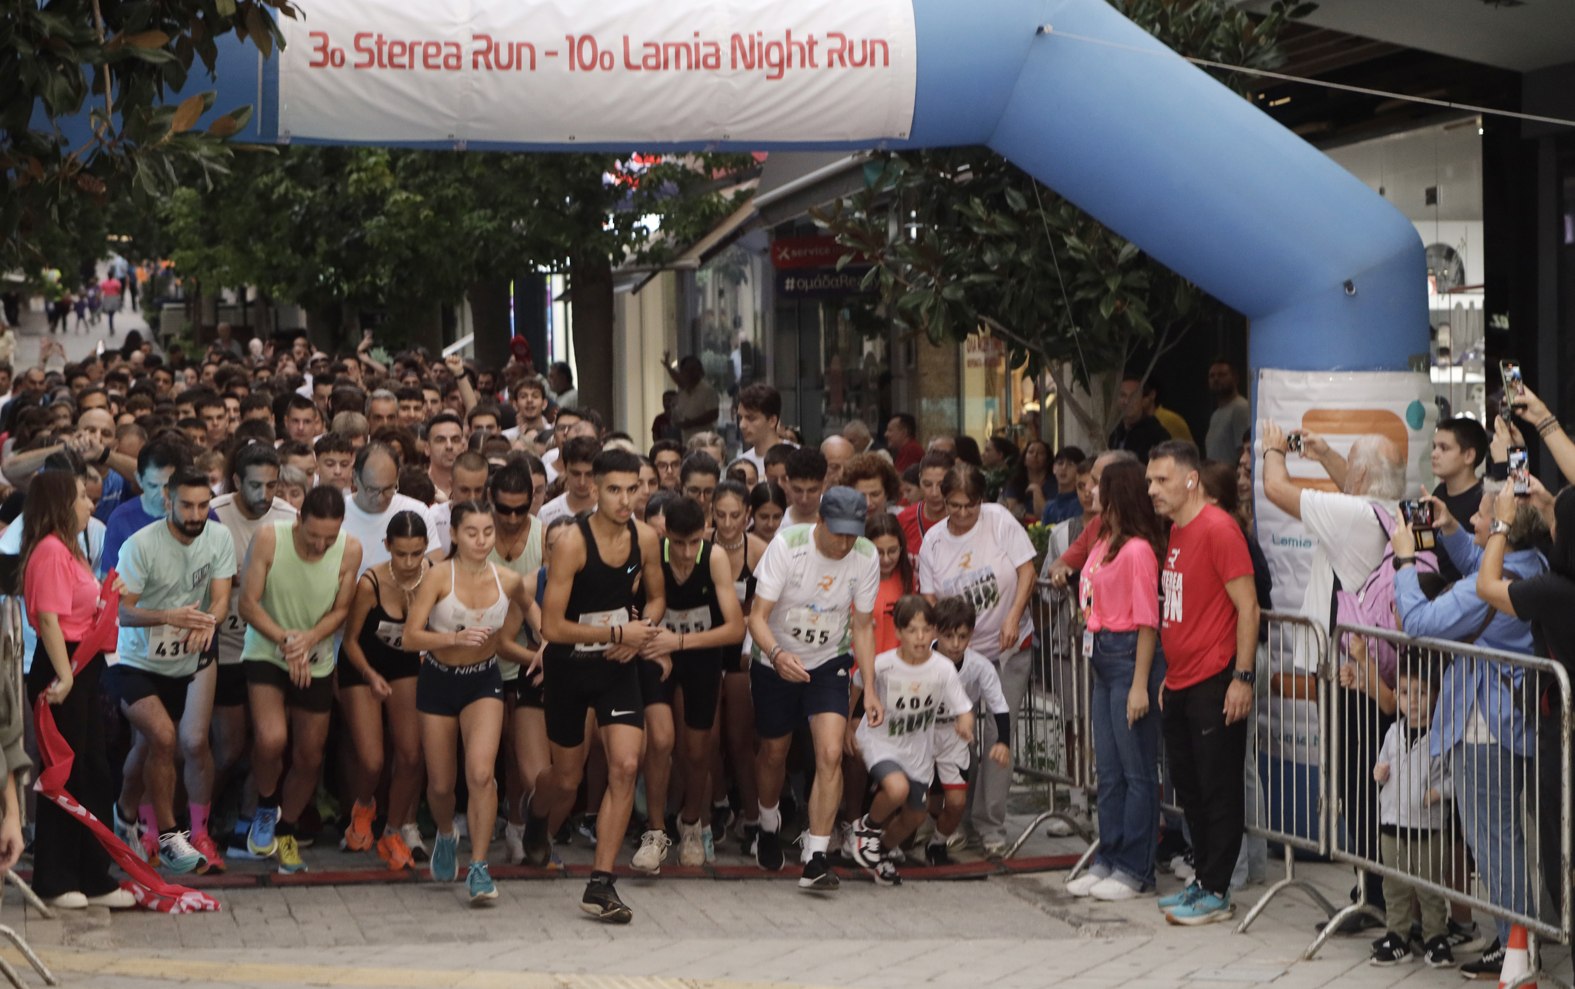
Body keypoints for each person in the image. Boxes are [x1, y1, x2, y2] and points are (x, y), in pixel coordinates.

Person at [1393, 475, 1546, 977]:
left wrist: (1404, 562)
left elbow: (1419, 623)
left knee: (1493, 840)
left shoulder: (1487, 589)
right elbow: (1484, 566)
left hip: (1485, 729)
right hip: (1512, 722)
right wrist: (1455, 530)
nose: (1475, 519)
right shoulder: (1531, 564)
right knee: (1505, 837)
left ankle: (1514, 946)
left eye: (1481, 515)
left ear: (1503, 527)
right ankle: (1518, 939)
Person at [1261, 420, 1406, 926]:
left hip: (1353, 673)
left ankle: (1377, 896)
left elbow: (1276, 488)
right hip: (1372, 670)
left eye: (1349, 463)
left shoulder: (1353, 516)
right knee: (1370, 781)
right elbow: (1356, 483)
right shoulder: (1384, 511)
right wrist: (1323, 454)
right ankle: (1378, 890)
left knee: (1358, 784)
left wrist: (1274, 448)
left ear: (1362, 473)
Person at [522, 449, 667, 924]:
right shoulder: (571, 543)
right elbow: (552, 626)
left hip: (617, 668)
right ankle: (537, 814)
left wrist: (641, 630)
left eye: (634, 489)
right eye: (615, 490)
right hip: (570, 667)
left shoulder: (645, 538)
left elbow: (658, 596)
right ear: (594, 489)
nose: (626, 499)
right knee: (566, 779)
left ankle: (600, 884)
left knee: (626, 764)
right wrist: (615, 634)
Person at [1145, 440, 1259, 925]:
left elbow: (1248, 608)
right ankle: (1203, 881)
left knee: (1217, 789)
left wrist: (1242, 677)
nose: (1152, 489)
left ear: (1191, 480)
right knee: (1189, 787)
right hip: (1182, 681)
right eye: (1150, 480)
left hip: (1217, 678)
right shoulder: (1176, 531)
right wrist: (1170, 676)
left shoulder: (1218, 529)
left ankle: (1217, 889)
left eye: (1161, 480)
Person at [748, 486, 882, 888]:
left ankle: (816, 856)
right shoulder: (787, 546)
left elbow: (861, 626)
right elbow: (755, 618)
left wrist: (870, 688)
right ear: (819, 521)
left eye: (851, 534)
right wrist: (776, 655)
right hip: (775, 658)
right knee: (774, 752)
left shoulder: (866, 555)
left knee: (829, 752)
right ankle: (768, 823)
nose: (844, 543)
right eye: (837, 532)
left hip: (828, 662)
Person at [106, 467, 235, 876]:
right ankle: (168, 835)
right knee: (163, 736)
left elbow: (220, 600)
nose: (196, 514)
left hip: (184, 660)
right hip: (133, 660)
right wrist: (170, 617)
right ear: (168, 503)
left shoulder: (218, 537)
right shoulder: (140, 546)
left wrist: (206, 624)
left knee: (148, 748)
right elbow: (121, 613)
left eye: (203, 505)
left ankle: (125, 816)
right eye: (187, 505)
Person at [403, 501, 531, 905]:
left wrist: (547, 650)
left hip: (484, 681)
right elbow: (410, 637)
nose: (481, 541)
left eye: (488, 532)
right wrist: (452, 639)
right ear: (454, 535)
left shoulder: (509, 580)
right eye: (472, 533)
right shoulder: (438, 576)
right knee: (441, 785)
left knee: (480, 774)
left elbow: (538, 616)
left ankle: (479, 867)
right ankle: (445, 832)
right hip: (439, 680)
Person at [22, 471, 135, 910]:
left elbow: (80, 608)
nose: (91, 505)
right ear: (62, 505)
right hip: (60, 667)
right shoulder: (49, 551)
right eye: (83, 499)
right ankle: (56, 876)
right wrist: (64, 676)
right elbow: (49, 618)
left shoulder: (70, 550)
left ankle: (92, 874)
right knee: (65, 773)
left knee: (92, 772)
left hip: (81, 667)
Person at [238, 486, 361, 874]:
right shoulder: (270, 537)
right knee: (272, 738)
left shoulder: (350, 549)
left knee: (310, 754)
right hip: (267, 649)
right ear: (298, 520)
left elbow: (341, 610)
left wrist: (309, 639)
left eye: (329, 537)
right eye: (313, 536)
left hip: (316, 654)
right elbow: (247, 603)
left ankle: (286, 828)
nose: (321, 544)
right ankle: (264, 806)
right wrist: (287, 641)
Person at [917, 463, 1036, 858]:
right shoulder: (933, 541)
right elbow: (930, 600)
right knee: (957, 733)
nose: (963, 514)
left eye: (970, 505)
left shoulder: (999, 521)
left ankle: (991, 823)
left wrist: (1014, 616)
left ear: (981, 502)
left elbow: (1026, 571)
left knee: (999, 733)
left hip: (1006, 648)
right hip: (958, 654)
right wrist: (942, 646)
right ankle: (955, 818)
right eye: (955, 506)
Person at [1062, 459, 1165, 901]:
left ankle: (1135, 866)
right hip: (1102, 654)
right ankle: (1109, 855)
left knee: (1136, 770)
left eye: (1100, 487)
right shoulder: (1105, 538)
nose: (1092, 493)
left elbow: (1147, 620)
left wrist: (1141, 683)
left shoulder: (1138, 549)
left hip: (1127, 656)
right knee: (1108, 770)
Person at [630, 496, 745, 873]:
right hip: (656, 655)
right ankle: (656, 831)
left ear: (704, 534)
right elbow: (635, 609)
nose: (685, 551)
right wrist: (654, 641)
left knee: (698, 750)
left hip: (698, 655)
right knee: (661, 740)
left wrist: (678, 642)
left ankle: (692, 821)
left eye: (693, 541)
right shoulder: (653, 556)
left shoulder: (713, 558)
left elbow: (734, 628)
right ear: (665, 536)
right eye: (678, 542)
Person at [846, 595, 974, 886]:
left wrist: (966, 722)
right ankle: (866, 830)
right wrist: (848, 728)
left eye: (926, 629)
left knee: (915, 816)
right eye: (912, 630)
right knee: (896, 788)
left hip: (917, 751)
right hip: (880, 741)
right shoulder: (882, 664)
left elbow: (963, 707)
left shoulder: (942, 668)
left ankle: (881, 854)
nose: (920, 637)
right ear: (899, 632)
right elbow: (856, 687)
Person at [337, 510, 429, 870]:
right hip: (362, 664)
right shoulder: (370, 584)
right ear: (387, 547)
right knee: (373, 758)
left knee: (410, 755)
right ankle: (363, 807)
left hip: (405, 664)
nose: (408, 563)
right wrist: (369, 674)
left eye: (416, 554)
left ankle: (393, 829)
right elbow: (349, 641)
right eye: (400, 554)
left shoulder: (432, 577)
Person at [1367, 663, 1454, 968]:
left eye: (1421, 693)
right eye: (1406, 693)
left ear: (1434, 696)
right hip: (1392, 822)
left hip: (1427, 825)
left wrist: (1437, 792)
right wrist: (1379, 772)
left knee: (1429, 885)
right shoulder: (1393, 732)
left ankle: (1435, 936)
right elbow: (1382, 764)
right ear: (1396, 696)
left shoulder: (1440, 737)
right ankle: (1397, 934)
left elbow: (1454, 776)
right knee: (1395, 885)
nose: (1413, 701)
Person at [925, 597, 1010, 865]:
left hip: (955, 736)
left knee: (957, 802)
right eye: (948, 636)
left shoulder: (979, 666)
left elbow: (999, 705)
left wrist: (1004, 742)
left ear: (971, 634)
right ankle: (900, 837)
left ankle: (937, 842)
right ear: (936, 632)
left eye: (962, 637)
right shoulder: (919, 658)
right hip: (920, 734)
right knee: (920, 802)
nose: (955, 644)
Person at [341, 443, 439, 575]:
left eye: (388, 489)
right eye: (372, 490)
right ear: (355, 478)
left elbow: (435, 569)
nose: (380, 498)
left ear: (397, 476)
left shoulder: (417, 512)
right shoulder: (337, 515)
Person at [1429, 417, 1489, 581]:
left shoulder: (1484, 500)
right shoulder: (1439, 492)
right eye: (1434, 447)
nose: (1434, 454)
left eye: (1444, 448)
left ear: (1469, 455)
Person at [866, 513, 913, 655]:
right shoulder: (853, 580)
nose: (886, 559)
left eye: (892, 551)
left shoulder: (907, 577)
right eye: (878, 552)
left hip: (899, 667)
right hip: (860, 667)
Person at [899, 450, 954, 568]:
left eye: (941, 485)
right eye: (927, 484)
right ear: (919, 481)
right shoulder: (904, 519)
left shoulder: (964, 519)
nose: (934, 493)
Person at [539, 436, 602, 525]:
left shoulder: (611, 510)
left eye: (589, 474)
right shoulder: (546, 514)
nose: (582, 482)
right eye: (576, 474)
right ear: (565, 470)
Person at [1108, 376, 1170, 461]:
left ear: (1144, 400)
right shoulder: (1113, 431)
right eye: (1123, 395)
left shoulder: (1157, 435)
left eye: (1134, 396)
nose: (1127, 401)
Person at [1204, 359, 1252, 463]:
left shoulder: (1240, 408)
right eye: (1212, 376)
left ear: (1235, 378)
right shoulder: (1216, 414)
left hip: (1231, 477)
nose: (1216, 379)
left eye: (1222, 375)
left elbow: (1244, 449)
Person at [663, 354, 719, 442]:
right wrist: (668, 367)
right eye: (686, 370)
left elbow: (713, 414)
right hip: (687, 442)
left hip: (706, 443)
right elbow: (677, 378)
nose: (690, 373)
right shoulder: (683, 390)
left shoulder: (707, 390)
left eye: (693, 370)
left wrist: (691, 423)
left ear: (700, 371)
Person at [736, 383, 782, 477]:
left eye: (751, 418)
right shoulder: (740, 464)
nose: (742, 425)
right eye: (740, 418)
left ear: (772, 421)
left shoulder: (798, 458)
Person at [1002, 439, 1053, 522]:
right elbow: (1010, 511)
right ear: (1024, 460)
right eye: (1031, 452)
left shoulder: (1053, 483)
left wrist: (1036, 490)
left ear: (1047, 460)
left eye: (1040, 453)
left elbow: (1046, 515)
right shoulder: (1015, 482)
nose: (1035, 455)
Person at [782, 447, 828, 528]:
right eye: (797, 490)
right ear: (787, 483)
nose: (804, 499)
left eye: (812, 490)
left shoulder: (837, 520)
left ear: (824, 484)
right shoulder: (778, 523)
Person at [1040, 446, 1086, 525]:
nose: (1064, 468)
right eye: (1060, 463)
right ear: (1054, 468)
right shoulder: (1049, 506)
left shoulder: (1081, 504)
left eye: (1070, 464)